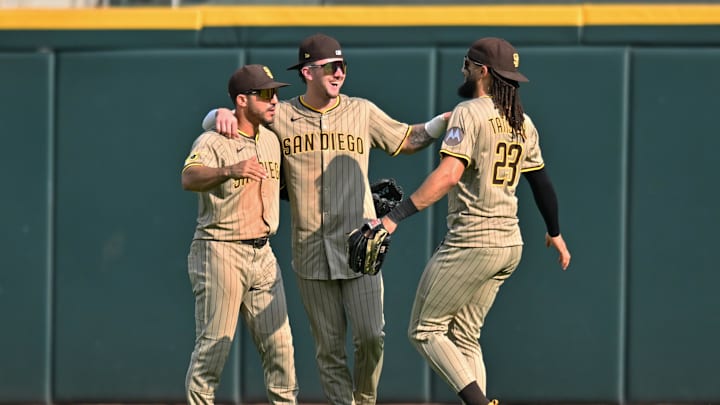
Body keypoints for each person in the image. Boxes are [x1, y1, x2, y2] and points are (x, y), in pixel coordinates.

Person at [201, 33, 449, 405]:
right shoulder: (281, 114)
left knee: (371, 336)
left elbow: (405, 140)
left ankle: (364, 399)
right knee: (329, 350)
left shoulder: (361, 111)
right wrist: (214, 115)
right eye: (330, 67)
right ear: (306, 72)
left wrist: (443, 122)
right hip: (311, 250)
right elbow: (241, 121)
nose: (339, 73)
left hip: (358, 245)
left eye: (342, 66)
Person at [378, 37, 572, 405]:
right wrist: (555, 231)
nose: (462, 70)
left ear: (482, 71)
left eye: (466, 64)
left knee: (424, 330)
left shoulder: (469, 112)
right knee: (465, 335)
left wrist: (395, 216)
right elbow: (541, 182)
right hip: (509, 245)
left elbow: (449, 174)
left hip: (474, 241)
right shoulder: (522, 122)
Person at [182, 64, 298, 405]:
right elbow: (189, 178)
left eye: (275, 92)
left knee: (281, 349)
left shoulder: (272, 140)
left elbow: (288, 189)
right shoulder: (214, 139)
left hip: (263, 254)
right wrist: (230, 169)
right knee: (214, 348)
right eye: (265, 94)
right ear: (242, 100)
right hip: (220, 250)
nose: (274, 99)